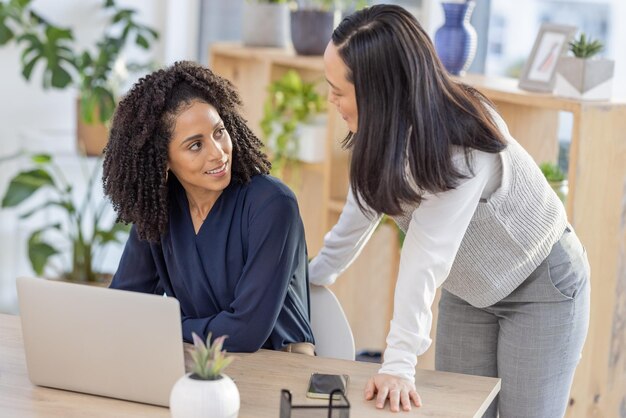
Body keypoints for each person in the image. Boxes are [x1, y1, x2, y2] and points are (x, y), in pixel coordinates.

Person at [310, 5, 590, 417]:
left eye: (338, 90)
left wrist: (399, 364)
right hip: (470, 289)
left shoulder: (460, 142)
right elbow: (356, 217)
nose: (330, 99)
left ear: (379, 91)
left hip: (540, 287)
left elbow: (424, 255)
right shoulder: (378, 134)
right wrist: (307, 284)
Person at [103, 61, 315, 355]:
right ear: (162, 160)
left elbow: (245, 333)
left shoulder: (272, 205)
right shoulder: (158, 212)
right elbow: (123, 306)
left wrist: (165, 325)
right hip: (199, 362)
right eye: (195, 145)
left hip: (277, 369)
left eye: (219, 132)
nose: (218, 153)